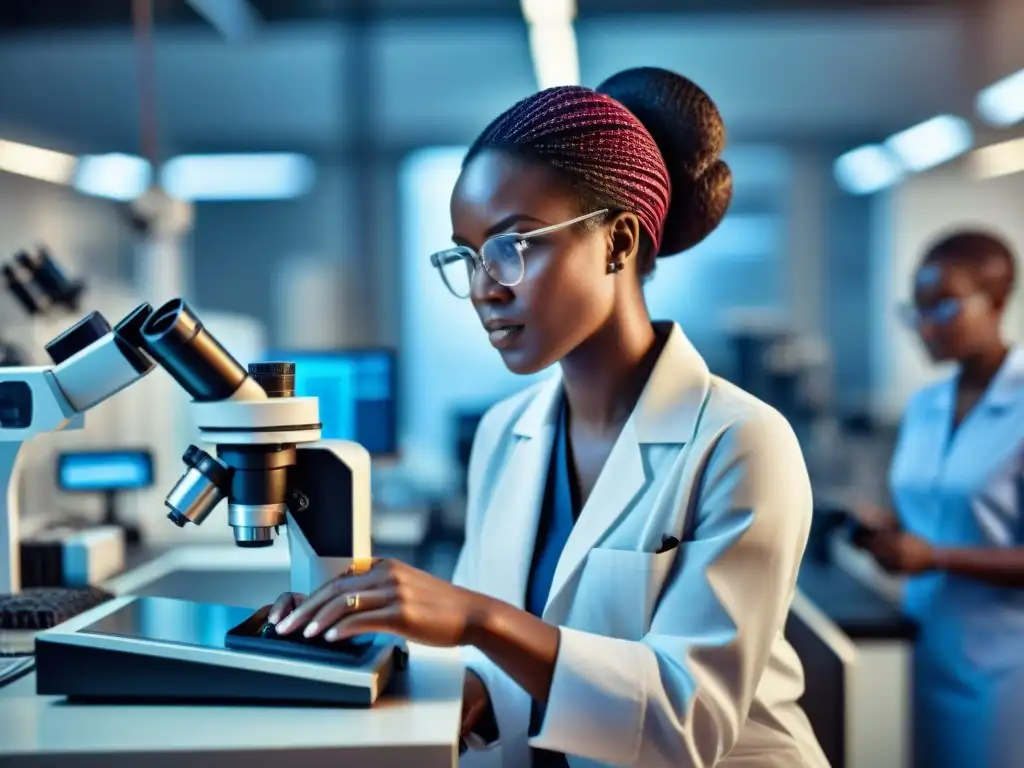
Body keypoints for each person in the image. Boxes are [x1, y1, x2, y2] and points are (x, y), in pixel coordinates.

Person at [267, 67, 828, 768]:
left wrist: (474, 615)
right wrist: (367, 665)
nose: (482, 289)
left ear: (619, 244)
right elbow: (497, 668)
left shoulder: (740, 442)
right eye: (468, 256)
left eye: (514, 244)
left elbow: (689, 723)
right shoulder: (506, 432)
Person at [854, 230, 1024, 768]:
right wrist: (889, 530)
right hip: (923, 649)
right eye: (917, 309)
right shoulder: (926, 405)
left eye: (945, 306)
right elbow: (939, 512)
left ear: (998, 301)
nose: (926, 326)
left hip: (1004, 668)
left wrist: (935, 557)